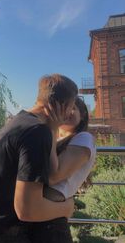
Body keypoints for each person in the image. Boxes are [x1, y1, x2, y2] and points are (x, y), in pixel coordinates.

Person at [0, 74, 78, 243]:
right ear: (61, 106)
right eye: (71, 107)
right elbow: (28, 209)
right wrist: (66, 208)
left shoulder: (20, 120)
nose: (70, 113)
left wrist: (53, 129)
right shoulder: (37, 132)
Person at [30, 96, 96, 243]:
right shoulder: (55, 138)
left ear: (83, 114)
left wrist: (52, 127)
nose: (66, 112)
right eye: (63, 108)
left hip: (50, 221)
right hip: (39, 213)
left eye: (72, 108)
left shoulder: (83, 137)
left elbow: (54, 176)